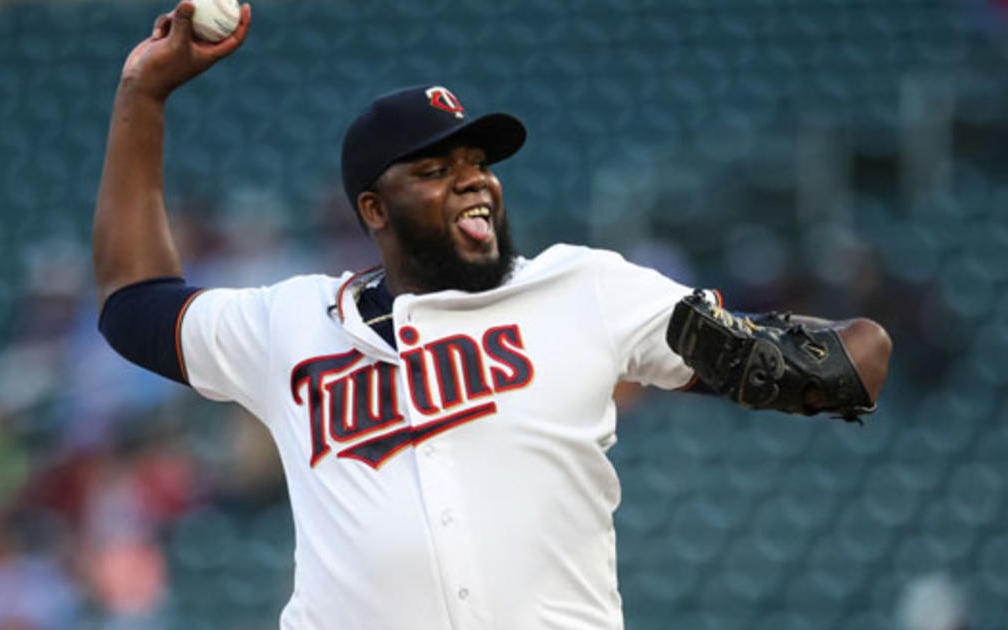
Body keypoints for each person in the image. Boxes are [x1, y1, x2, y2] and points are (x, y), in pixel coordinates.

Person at [92, 3, 893, 629]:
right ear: (374, 208)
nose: (472, 181)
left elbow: (843, 366)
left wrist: (804, 356)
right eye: (437, 168)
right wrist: (144, 93)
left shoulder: (585, 292)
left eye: (479, 164)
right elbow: (133, 304)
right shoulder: (292, 323)